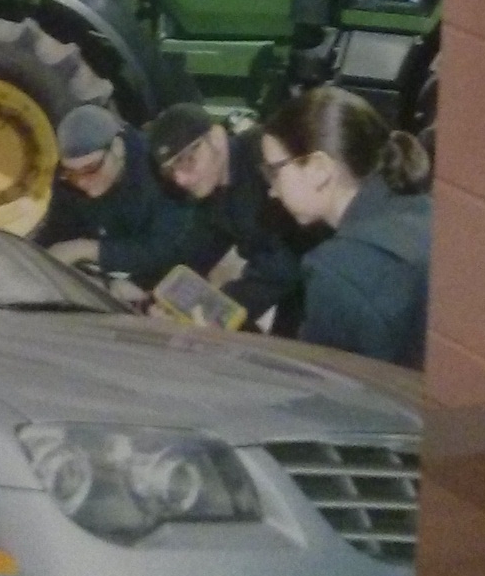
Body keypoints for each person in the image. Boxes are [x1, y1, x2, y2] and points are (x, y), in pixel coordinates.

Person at [256, 85, 432, 371]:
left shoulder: (338, 271)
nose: (272, 191)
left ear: (319, 169)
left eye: (274, 171)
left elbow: (322, 389)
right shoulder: (425, 209)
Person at [145, 100, 301, 326]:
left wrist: (214, 313)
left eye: (187, 160)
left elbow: (280, 267)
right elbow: (199, 246)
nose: (181, 179)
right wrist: (156, 293)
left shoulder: (263, 160)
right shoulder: (213, 185)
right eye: (171, 171)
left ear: (217, 138)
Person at [33, 99, 207, 295]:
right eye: (71, 173)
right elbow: (58, 228)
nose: (81, 182)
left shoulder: (161, 170)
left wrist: (85, 249)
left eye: (91, 169)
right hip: (111, 277)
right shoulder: (67, 181)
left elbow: (166, 247)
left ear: (116, 146)